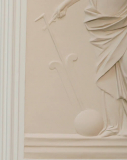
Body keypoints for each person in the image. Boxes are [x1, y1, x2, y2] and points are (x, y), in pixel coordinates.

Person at [51, 0, 127, 136]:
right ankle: (113, 126)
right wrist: (65, 5)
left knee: (125, 72)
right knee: (107, 73)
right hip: (102, 27)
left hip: (123, 23)